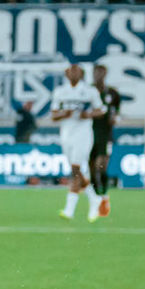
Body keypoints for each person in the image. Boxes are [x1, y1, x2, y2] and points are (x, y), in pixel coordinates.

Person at [48, 63, 103, 221]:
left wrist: (88, 114)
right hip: (66, 134)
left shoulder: (89, 91)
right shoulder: (60, 92)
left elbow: (100, 110)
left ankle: (69, 209)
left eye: (77, 71)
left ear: (82, 74)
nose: (74, 74)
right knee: (78, 171)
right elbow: (53, 115)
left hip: (83, 134)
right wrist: (65, 114)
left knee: (75, 169)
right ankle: (94, 199)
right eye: (71, 71)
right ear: (66, 74)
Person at [88, 63, 124, 217]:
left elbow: (117, 112)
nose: (99, 76)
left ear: (105, 74)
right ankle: (97, 198)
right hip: (87, 134)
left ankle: (104, 196)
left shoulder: (112, 93)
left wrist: (115, 118)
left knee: (101, 166)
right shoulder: (87, 92)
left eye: (101, 73)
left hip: (105, 134)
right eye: (96, 73)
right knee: (91, 169)